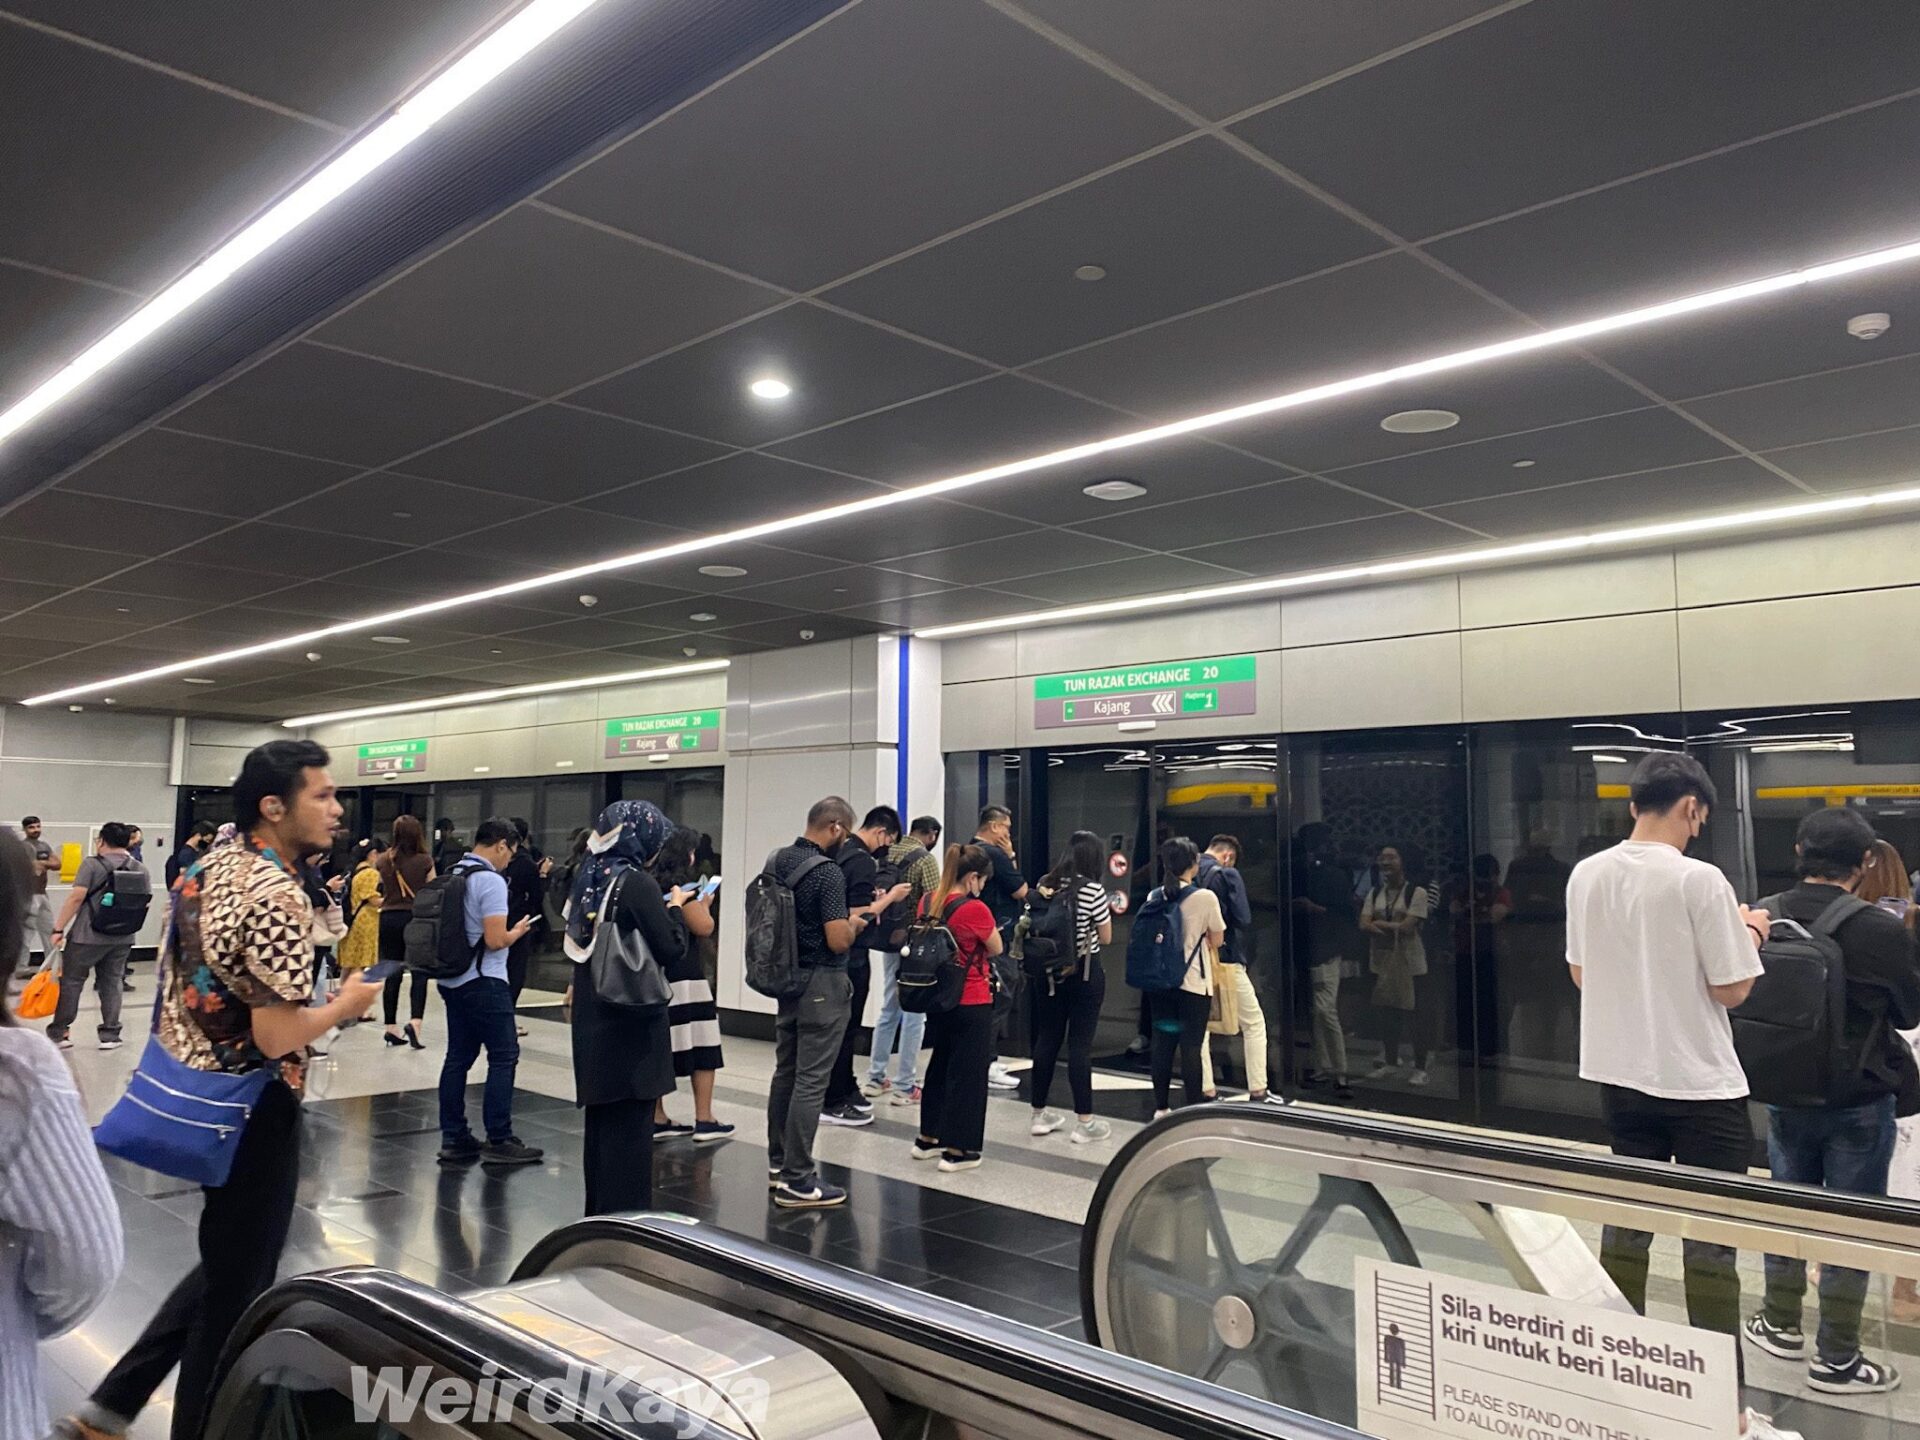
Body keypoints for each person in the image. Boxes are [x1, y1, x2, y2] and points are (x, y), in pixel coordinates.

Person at [56, 740, 380, 1440]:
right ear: (274, 806)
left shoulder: (207, 869)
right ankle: (196, 1426)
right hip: (253, 1106)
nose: (336, 807)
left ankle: (111, 1403)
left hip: (195, 1088)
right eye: (321, 795)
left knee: (230, 1259)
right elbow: (276, 1034)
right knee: (238, 1287)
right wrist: (347, 1005)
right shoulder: (278, 894)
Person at [1567, 752, 1775, 1425]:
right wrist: (1751, 931)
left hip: (1620, 1079)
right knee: (1710, 1244)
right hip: (1701, 1088)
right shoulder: (1700, 880)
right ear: (1691, 808)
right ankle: (1718, 1405)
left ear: (1634, 805)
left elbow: (1580, 974)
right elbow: (1733, 987)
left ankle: (1616, 1379)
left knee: (1626, 1231)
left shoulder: (1587, 875)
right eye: (1700, 819)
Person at [1742, 809, 1920, 1394]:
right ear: (1866, 861)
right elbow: (1908, 1013)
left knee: (1789, 1212)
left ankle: (1780, 1323)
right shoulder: (1881, 928)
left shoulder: (1762, 914)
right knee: (1849, 1227)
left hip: (1785, 1092)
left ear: (1799, 850)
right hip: (1859, 1100)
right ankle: (1838, 1359)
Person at [0, 827, 123, 1440]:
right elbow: (83, 1266)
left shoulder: (90, 868)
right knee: (103, 987)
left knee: (77, 984)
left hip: (85, 940)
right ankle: (107, 1029)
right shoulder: (16, 1072)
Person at [564, 802, 688, 1213]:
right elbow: (670, 947)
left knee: (601, 1133)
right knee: (631, 1139)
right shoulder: (635, 883)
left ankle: (597, 1218)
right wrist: (676, 909)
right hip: (630, 1020)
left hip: (593, 1018)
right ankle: (626, 1226)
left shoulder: (589, 875)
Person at [765, 796, 857, 1209]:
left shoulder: (777, 861)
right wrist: (854, 924)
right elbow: (836, 937)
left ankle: (778, 1162)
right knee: (811, 1080)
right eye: (846, 833)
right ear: (835, 827)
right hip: (822, 981)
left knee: (785, 1071)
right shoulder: (828, 873)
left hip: (786, 979)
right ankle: (798, 1180)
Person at [435, 818, 539, 1166]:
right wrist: (517, 932)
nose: (509, 859)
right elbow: (495, 940)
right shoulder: (490, 881)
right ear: (500, 844)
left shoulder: (453, 872)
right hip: (485, 980)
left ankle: (454, 1137)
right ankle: (500, 1137)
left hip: (453, 980)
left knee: (458, 1059)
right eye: (510, 851)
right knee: (504, 1054)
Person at [912, 844, 1002, 1172]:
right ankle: (958, 1150)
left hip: (936, 998)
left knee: (940, 1065)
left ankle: (928, 1139)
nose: (983, 887)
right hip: (971, 998)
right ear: (973, 877)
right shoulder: (974, 909)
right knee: (969, 1075)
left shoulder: (927, 900)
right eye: (983, 881)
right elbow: (996, 947)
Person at [822, 807, 913, 1128]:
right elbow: (857, 915)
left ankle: (845, 1089)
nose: (886, 846)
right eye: (888, 839)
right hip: (852, 956)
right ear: (880, 832)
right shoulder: (860, 860)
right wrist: (891, 897)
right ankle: (834, 1098)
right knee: (846, 1028)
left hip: (842, 957)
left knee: (846, 1028)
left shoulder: (842, 852)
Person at [645, 824, 733, 1143]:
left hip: (658, 978)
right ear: (688, 855)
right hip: (687, 977)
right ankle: (704, 1119)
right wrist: (705, 904)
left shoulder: (647, 884)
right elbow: (704, 927)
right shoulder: (683, 887)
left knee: (663, 1047)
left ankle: (657, 1116)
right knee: (702, 1047)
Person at [1028, 830, 1113, 1144]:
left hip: (1047, 975)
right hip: (1084, 974)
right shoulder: (1092, 890)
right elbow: (1105, 937)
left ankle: (1038, 1115)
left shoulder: (1045, 884)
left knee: (1047, 1038)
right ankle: (1085, 1122)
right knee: (1080, 1045)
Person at [46, 822, 143, 1053]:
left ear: (101, 840)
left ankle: (60, 1033)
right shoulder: (139, 867)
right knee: (112, 983)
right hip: (123, 937)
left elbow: (76, 898)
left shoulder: (92, 864)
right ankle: (110, 1034)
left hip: (86, 936)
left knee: (71, 982)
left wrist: (58, 928)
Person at [865, 815, 942, 1105]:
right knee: (915, 1013)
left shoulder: (887, 852)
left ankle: (875, 1077)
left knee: (889, 1006)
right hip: (916, 944)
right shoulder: (925, 860)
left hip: (888, 939)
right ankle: (905, 1085)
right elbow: (934, 904)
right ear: (931, 835)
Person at [1196, 834, 1278, 1105]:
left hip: (1193, 962)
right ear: (1228, 856)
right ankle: (1259, 1090)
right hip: (1225, 958)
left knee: (1200, 1028)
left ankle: (1207, 1090)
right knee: (1253, 1022)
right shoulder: (1227, 875)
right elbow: (1243, 918)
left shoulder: (1187, 870)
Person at [1145, 836, 1223, 1118]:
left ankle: (1161, 1108)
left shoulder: (1155, 896)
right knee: (1191, 1046)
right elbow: (1217, 939)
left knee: (1162, 1044)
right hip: (1193, 984)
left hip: (1160, 983)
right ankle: (1192, 1111)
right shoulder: (1204, 897)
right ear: (1193, 863)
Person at [1293, 823, 1357, 1098]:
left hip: (1326, 949)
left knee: (1324, 1011)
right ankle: (1326, 1068)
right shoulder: (1314, 874)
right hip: (1317, 949)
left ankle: (1340, 1073)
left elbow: (1343, 913)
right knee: (1319, 1012)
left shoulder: (1330, 875)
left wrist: (1314, 908)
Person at [1361, 844, 1431, 1085]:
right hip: (1382, 961)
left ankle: (1421, 1067)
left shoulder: (1417, 892)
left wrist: (1379, 925)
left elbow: (1408, 926)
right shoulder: (1375, 892)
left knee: (1415, 1015)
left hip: (1410, 963)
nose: (1385, 862)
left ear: (1403, 861)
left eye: (1391, 857)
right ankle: (1391, 1061)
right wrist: (1391, 926)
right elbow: (1363, 922)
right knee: (1386, 1013)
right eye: (1382, 857)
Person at [972, 805, 1027, 1091]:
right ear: (994, 827)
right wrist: (1011, 856)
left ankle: (984, 1057)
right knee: (1002, 993)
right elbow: (1020, 890)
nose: (1008, 832)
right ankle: (987, 1062)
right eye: (1006, 826)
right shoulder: (994, 854)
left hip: (976, 936)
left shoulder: (970, 850)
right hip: (998, 934)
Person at [378, 815, 435, 1050]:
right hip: (416, 919)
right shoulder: (425, 860)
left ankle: (390, 1027)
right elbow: (433, 890)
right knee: (419, 971)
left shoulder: (383, 860)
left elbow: (380, 888)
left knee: (392, 972)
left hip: (388, 917)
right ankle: (415, 1023)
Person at [503, 819, 546, 1023]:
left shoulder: (497, 862)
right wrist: (543, 874)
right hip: (518, 923)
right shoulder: (526, 863)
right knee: (515, 971)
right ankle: (507, 1018)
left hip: (495, 921)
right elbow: (536, 896)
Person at [336, 838, 386, 979]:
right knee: (360, 964)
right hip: (366, 922)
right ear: (374, 853)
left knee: (349, 964)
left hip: (352, 919)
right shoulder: (371, 873)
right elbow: (374, 900)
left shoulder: (354, 870)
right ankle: (352, 995)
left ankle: (343, 995)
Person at [17, 817, 56, 969]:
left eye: (38, 826)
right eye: (32, 827)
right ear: (25, 830)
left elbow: (57, 863)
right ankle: (21, 967)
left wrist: (42, 863)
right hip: (28, 895)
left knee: (49, 930)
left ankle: (51, 965)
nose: (36, 830)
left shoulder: (44, 845)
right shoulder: (21, 847)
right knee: (26, 933)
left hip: (42, 894)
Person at [165, 821, 216, 891]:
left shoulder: (195, 852)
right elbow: (186, 875)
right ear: (198, 835)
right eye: (206, 840)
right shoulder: (186, 854)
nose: (207, 844)